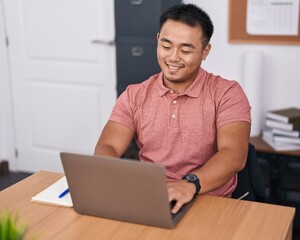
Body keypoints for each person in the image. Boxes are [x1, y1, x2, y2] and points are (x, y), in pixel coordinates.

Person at [94, 3, 251, 214]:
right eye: (166, 46)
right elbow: (108, 145)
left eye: (185, 49)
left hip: (208, 198)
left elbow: (234, 154)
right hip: (151, 197)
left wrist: (190, 184)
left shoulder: (227, 93)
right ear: (157, 40)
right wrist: (122, 182)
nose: (173, 57)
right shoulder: (135, 94)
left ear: (205, 51)